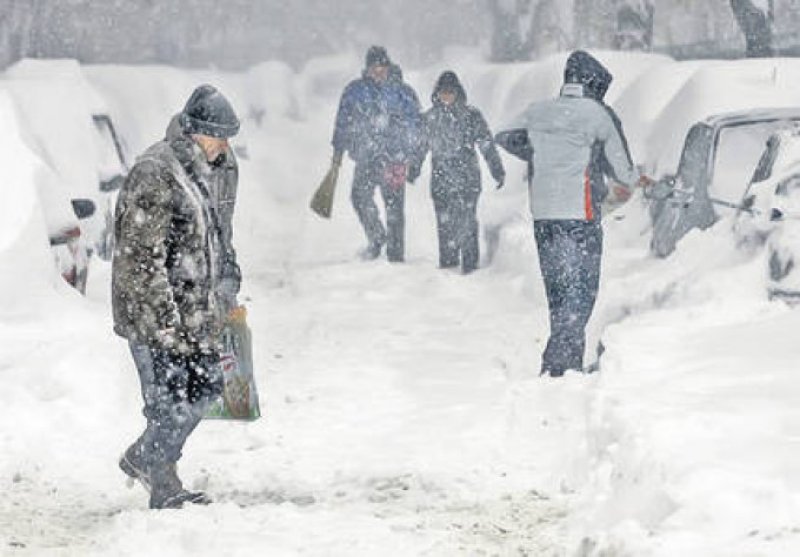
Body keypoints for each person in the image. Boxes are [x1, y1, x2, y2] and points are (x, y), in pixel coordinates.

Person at [112, 84, 242, 509]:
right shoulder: (156, 171)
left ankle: (144, 457)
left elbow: (219, 234)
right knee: (167, 402)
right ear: (192, 131)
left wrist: (229, 280)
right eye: (217, 135)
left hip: (198, 310)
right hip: (154, 314)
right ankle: (162, 481)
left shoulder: (215, 168)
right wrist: (163, 323)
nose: (224, 145)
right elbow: (140, 258)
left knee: (206, 385)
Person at [498, 51, 651, 377]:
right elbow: (623, 173)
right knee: (581, 290)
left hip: (544, 215)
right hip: (579, 215)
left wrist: (541, 154)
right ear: (594, 84)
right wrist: (630, 177)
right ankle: (559, 365)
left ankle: (565, 361)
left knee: (557, 288)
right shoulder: (597, 114)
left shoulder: (537, 111)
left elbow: (505, 136)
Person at [331, 46, 421, 262]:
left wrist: (412, 152)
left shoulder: (403, 92)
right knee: (359, 197)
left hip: (395, 160)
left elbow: (417, 123)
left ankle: (396, 254)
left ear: (388, 66)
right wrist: (338, 149)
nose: (378, 71)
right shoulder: (355, 90)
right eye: (374, 67)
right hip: (366, 156)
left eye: (382, 66)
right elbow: (343, 121)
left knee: (395, 207)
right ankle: (377, 236)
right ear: (367, 68)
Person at [410, 71, 505, 274]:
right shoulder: (429, 118)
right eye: (443, 92)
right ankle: (449, 264)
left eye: (450, 92)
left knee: (467, 220)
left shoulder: (471, 116)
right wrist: (413, 169)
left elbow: (486, 144)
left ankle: (470, 264)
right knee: (444, 223)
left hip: (467, 179)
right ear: (437, 93)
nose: (446, 96)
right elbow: (419, 148)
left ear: (458, 93)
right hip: (440, 180)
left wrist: (497, 169)